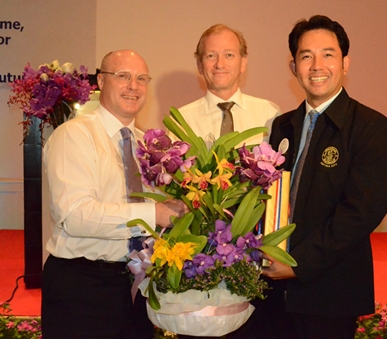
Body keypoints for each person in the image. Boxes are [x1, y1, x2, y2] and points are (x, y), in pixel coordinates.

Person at [259, 15, 387, 339]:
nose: (316, 65)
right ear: (294, 68)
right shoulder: (282, 126)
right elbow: (269, 199)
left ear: (345, 63)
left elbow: (362, 212)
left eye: (328, 54)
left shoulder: (370, 127)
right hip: (274, 295)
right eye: (306, 56)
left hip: (331, 292)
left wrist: (297, 264)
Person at [41, 50, 188, 339]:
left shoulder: (146, 145)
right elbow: (75, 215)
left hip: (135, 284)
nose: (133, 86)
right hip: (83, 287)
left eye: (141, 78)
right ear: (101, 81)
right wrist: (154, 215)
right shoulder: (74, 135)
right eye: (123, 76)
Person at [174, 24, 280, 147]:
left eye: (229, 55)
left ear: (243, 63)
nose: (220, 64)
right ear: (200, 65)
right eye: (211, 56)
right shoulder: (182, 121)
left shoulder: (269, 113)